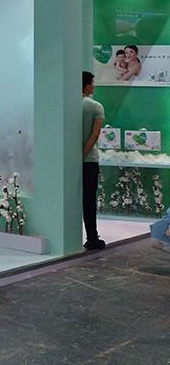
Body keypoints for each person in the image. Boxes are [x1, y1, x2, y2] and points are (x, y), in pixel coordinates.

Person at [82, 71, 106, 250]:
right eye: (93, 83)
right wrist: (82, 154)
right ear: (87, 85)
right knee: (89, 199)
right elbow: (95, 134)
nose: (94, 86)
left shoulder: (67, 104)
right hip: (89, 160)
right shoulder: (95, 106)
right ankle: (92, 238)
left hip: (67, 161)